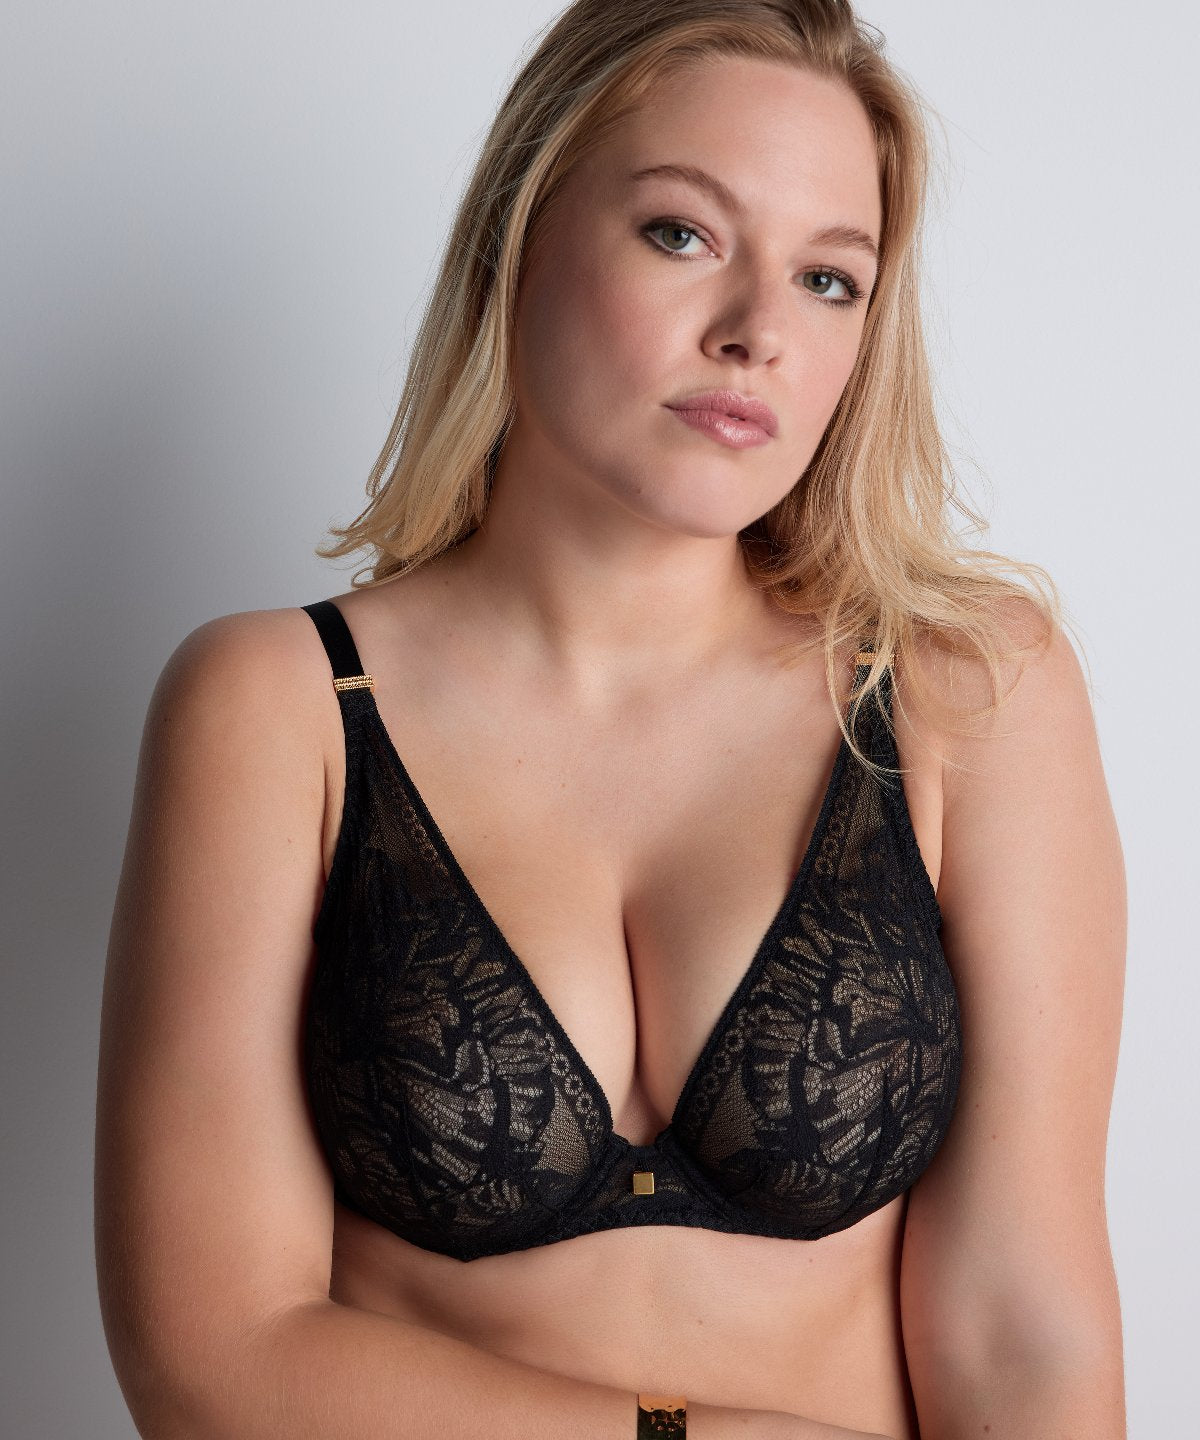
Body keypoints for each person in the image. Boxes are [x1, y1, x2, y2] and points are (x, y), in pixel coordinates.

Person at [94, 2, 1127, 1438]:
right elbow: (216, 1361)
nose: (759, 333)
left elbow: (1026, 1332)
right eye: (682, 233)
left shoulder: (962, 693)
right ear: (520, 237)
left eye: (829, 279)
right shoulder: (281, 709)